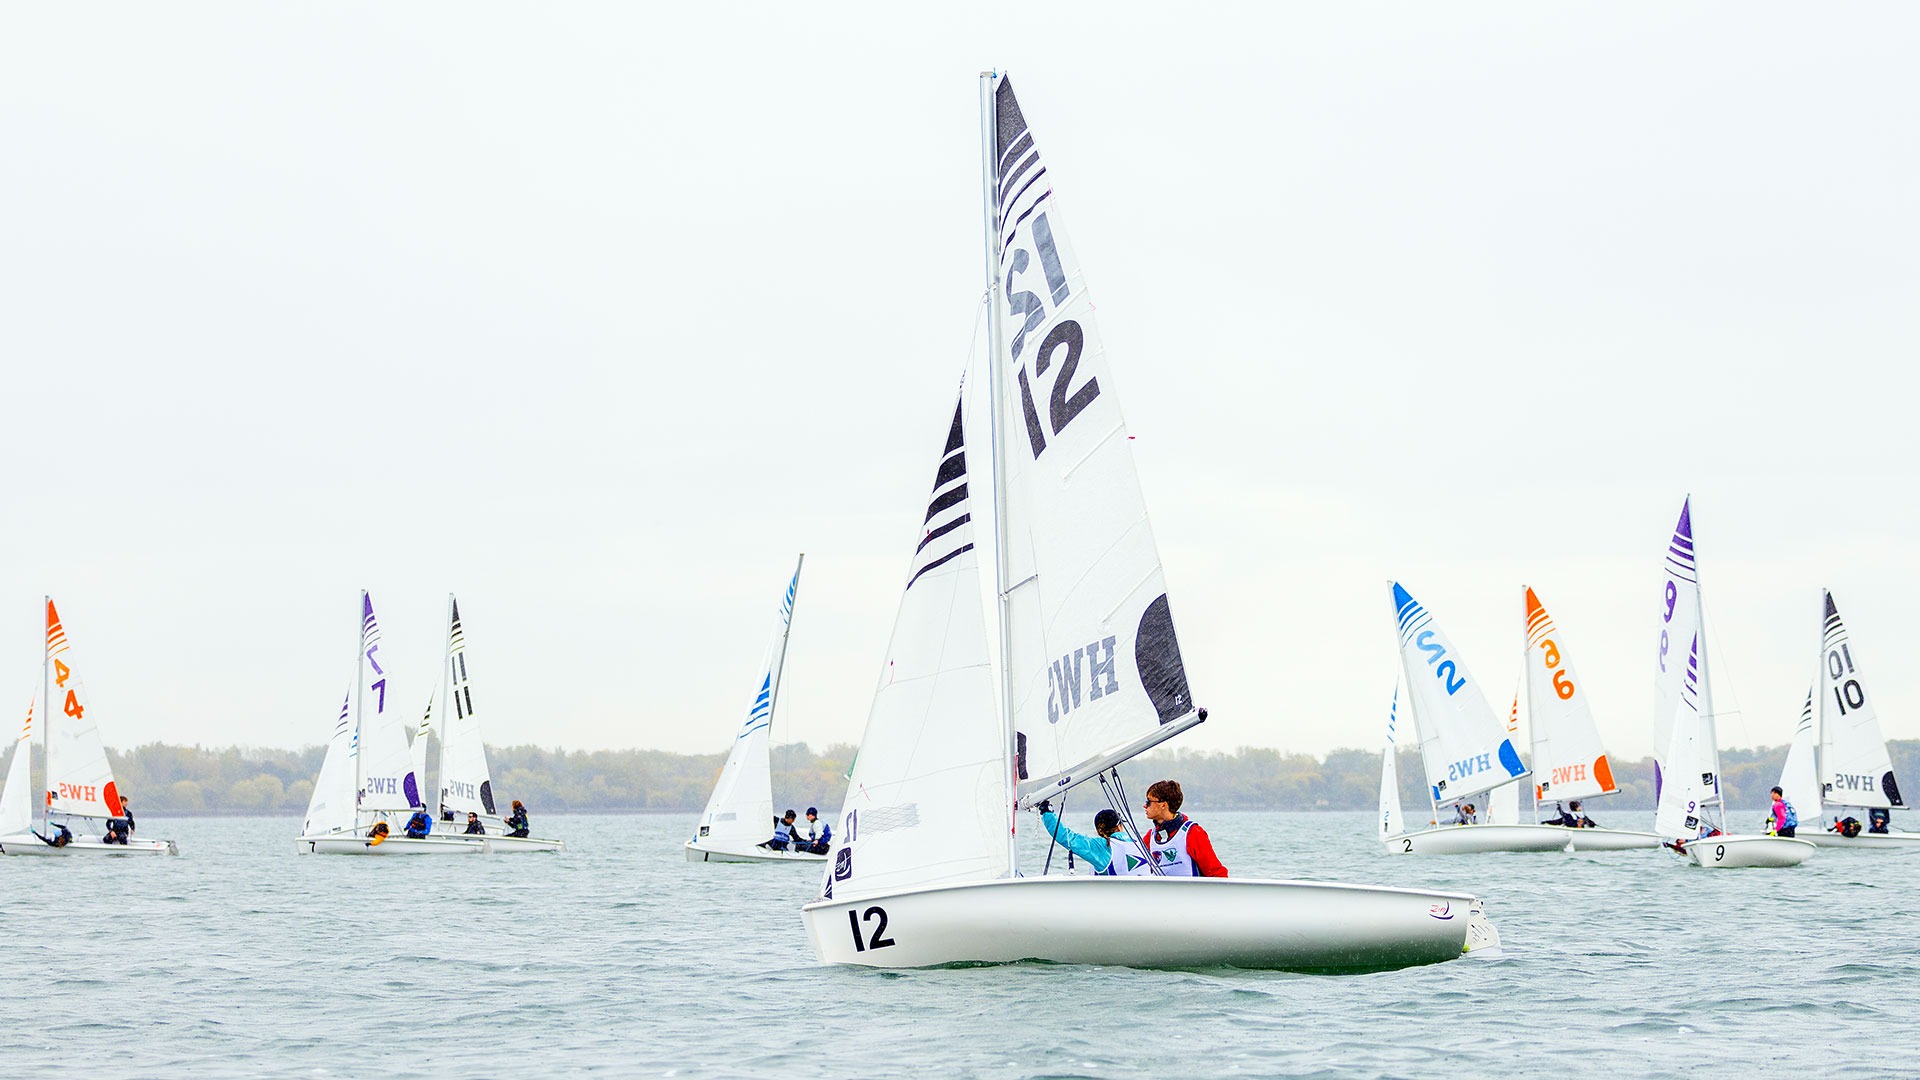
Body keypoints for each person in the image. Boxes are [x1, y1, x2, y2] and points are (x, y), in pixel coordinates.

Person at [1140, 780, 1227, 877]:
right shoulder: (1150, 837)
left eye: (1149, 802)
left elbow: (1216, 872)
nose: (1145, 805)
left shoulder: (1193, 833)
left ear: (1163, 805)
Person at [1037, 801, 1150, 875]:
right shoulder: (1140, 844)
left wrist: (1047, 812)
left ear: (1098, 830)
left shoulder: (1102, 846)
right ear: (1119, 826)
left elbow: (1067, 837)